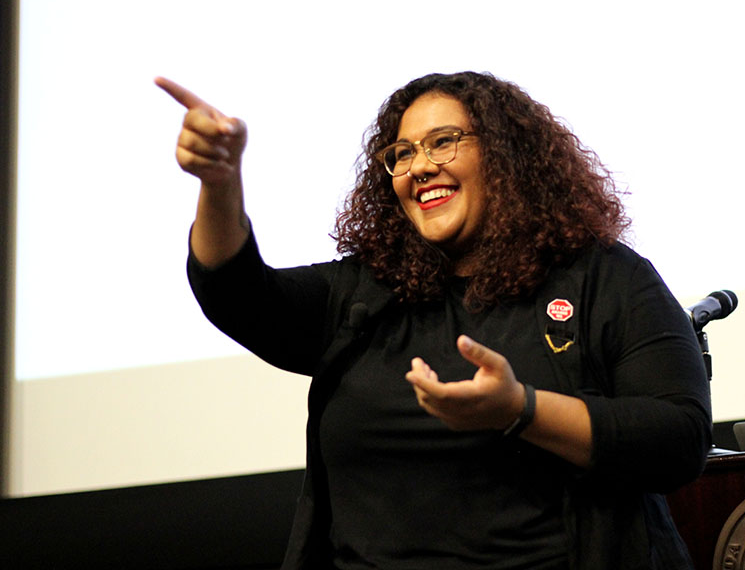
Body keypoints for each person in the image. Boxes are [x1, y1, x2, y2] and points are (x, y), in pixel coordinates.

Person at [155, 71, 712, 570]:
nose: (419, 166)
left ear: (506, 155)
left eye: (442, 142)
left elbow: (678, 439)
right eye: (401, 153)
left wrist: (521, 409)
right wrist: (221, 183)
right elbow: (235, 293)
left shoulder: (604, 278)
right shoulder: (363, 294)